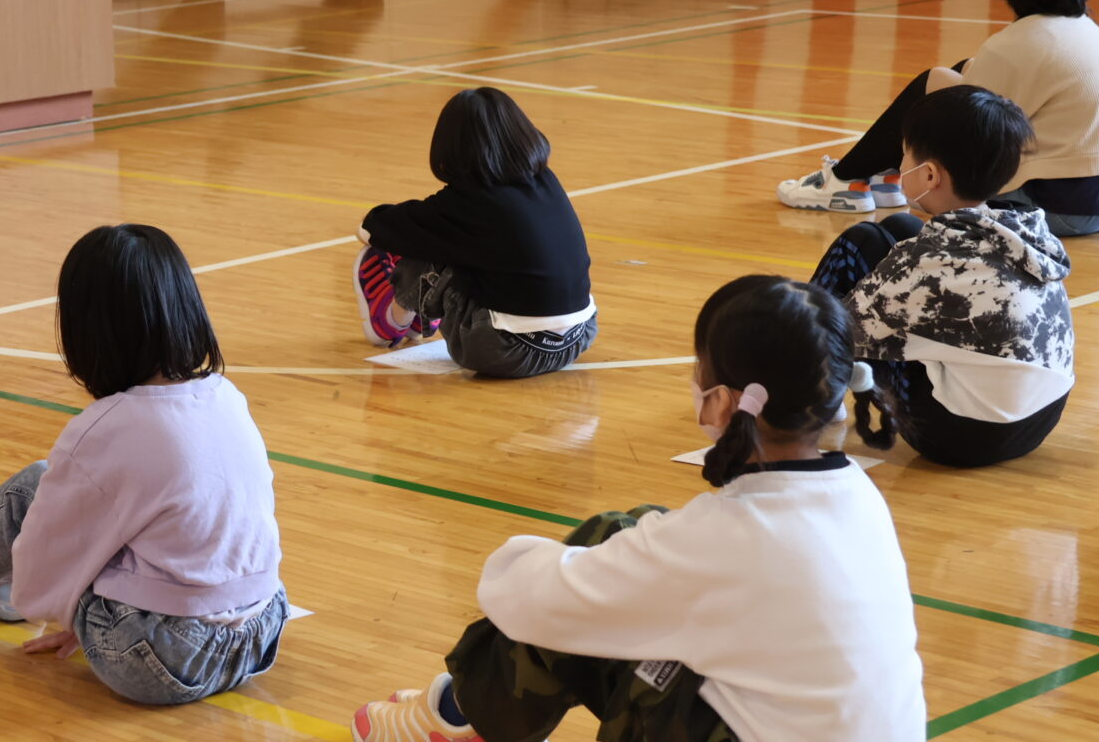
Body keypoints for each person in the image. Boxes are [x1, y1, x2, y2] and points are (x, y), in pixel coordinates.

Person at [350, 276, 926, 742]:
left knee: (595, 561)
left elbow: (527, 601)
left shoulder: (726, 537)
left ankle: (457, 715)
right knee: (631, 542)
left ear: (723, 401)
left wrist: (523, 559)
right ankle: (461, 713)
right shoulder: (857, 497)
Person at [0, 223, 288, 706]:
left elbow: (41, 561)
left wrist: (85, 612)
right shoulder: (227, 397)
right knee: (128, 514)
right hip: (261, 634)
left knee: (34, 488)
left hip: (159, 657)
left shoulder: (107, 426)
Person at [777, 0, 1099, 235]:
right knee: (953, 75)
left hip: (1061, 208)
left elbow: (973, 139)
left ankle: (846, 182)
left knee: (936, 92)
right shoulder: (1083, 30)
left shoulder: (1019, 43)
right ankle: (881, 177)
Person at [809, 86, 1074, 468]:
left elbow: (843, 332)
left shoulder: (929, 262)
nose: (900, 165)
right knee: (900, 225)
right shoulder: (1028, 231)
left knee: (857, 243)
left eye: (905, 155)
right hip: (1037, 421)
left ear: (929, 174)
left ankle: (803, 399)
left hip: (958, 437)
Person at [352, 87, 595, 379]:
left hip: (504, 351)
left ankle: (391, 320)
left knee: (427, 243)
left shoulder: (466, 203)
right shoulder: (546, 181)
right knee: (457, 243)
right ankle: (418, 315)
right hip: (578, 338)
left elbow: (371, 227)